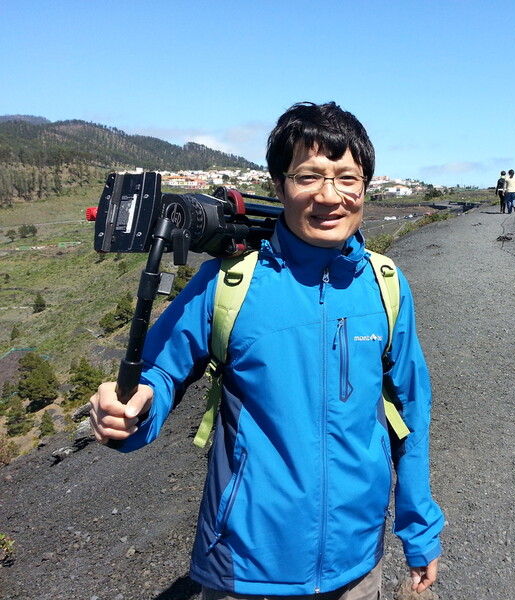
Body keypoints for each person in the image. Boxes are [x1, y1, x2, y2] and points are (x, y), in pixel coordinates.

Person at [89, 102, 444, 599]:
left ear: (365, 187)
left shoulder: (386, 286)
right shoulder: (229, 283)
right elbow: (156, 376)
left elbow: (412, 411)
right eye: (309, 176)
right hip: (246, 568)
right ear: (280, 187)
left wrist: (418, 531)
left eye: (347, 178)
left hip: (359, 562)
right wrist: (127, 413)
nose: (329, 196)